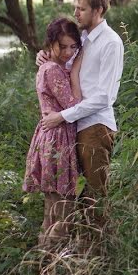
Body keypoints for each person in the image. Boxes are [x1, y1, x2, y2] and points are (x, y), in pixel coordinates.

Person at [39, 0, 124, 226]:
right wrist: (45, 57)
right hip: (76, 127)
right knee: (74, 197)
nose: (76, 14)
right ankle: (80, 254)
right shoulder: (84, 38)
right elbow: (67, 70)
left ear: (98, 10)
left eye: (82, 9)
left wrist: (63, 115)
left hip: (95, 127)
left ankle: (100, 257)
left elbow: (105, 97)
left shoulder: (110, 42)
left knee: (94, 197)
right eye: (75, 8)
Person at [23, 18, 82, 246]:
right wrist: (75, 69)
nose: (68, 52)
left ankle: (45, 266)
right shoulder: (52, 70)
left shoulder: (51, 66)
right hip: (57, 139)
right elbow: (74, 104)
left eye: (73, 47)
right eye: (63, 46)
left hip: (56, 136)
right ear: (51, 44)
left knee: (53, 211)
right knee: (61, 212)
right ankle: (52, 267)